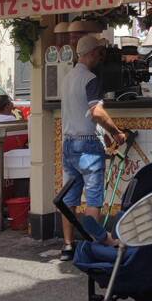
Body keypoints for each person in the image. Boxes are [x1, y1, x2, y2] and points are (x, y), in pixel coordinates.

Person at [60, 34, 126, 262]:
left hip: (68, 143)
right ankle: (92, 247)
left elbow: (80, 113)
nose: (102, 57)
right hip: (87, 144)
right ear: (92, 53)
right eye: (100, 52)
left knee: (69, 199)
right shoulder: (90, 78)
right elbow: (96, 112)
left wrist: (103, 134)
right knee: (94, 198)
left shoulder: (67, 79)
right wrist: (116, 132)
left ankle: (68, 246)